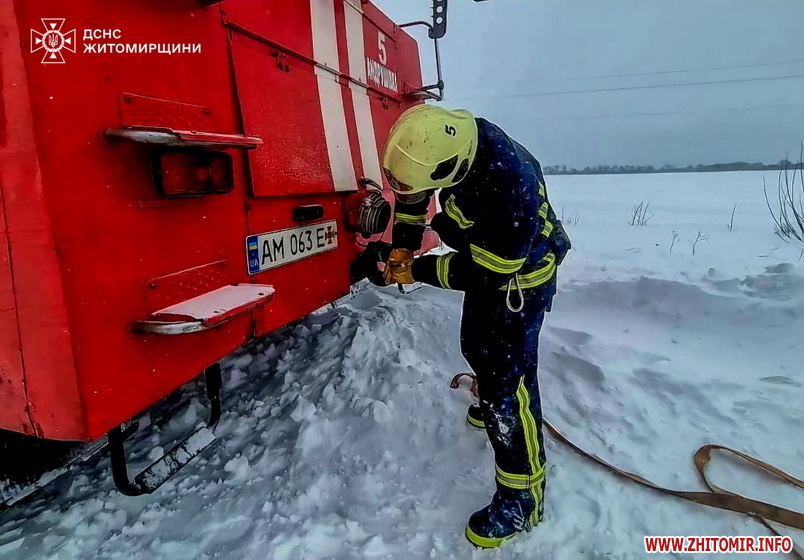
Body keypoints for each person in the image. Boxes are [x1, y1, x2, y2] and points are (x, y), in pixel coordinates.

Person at [376, 104, 571, 548]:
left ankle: (522, 498)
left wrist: (417, 271)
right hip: (491, 260)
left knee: (508, 384)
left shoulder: (508, 186)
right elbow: (413, 198)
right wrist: (404, 245)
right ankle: (491, 398)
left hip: (519, 280)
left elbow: (488, 272)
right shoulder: (446, 142)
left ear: (453, 168)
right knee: (479, 344)